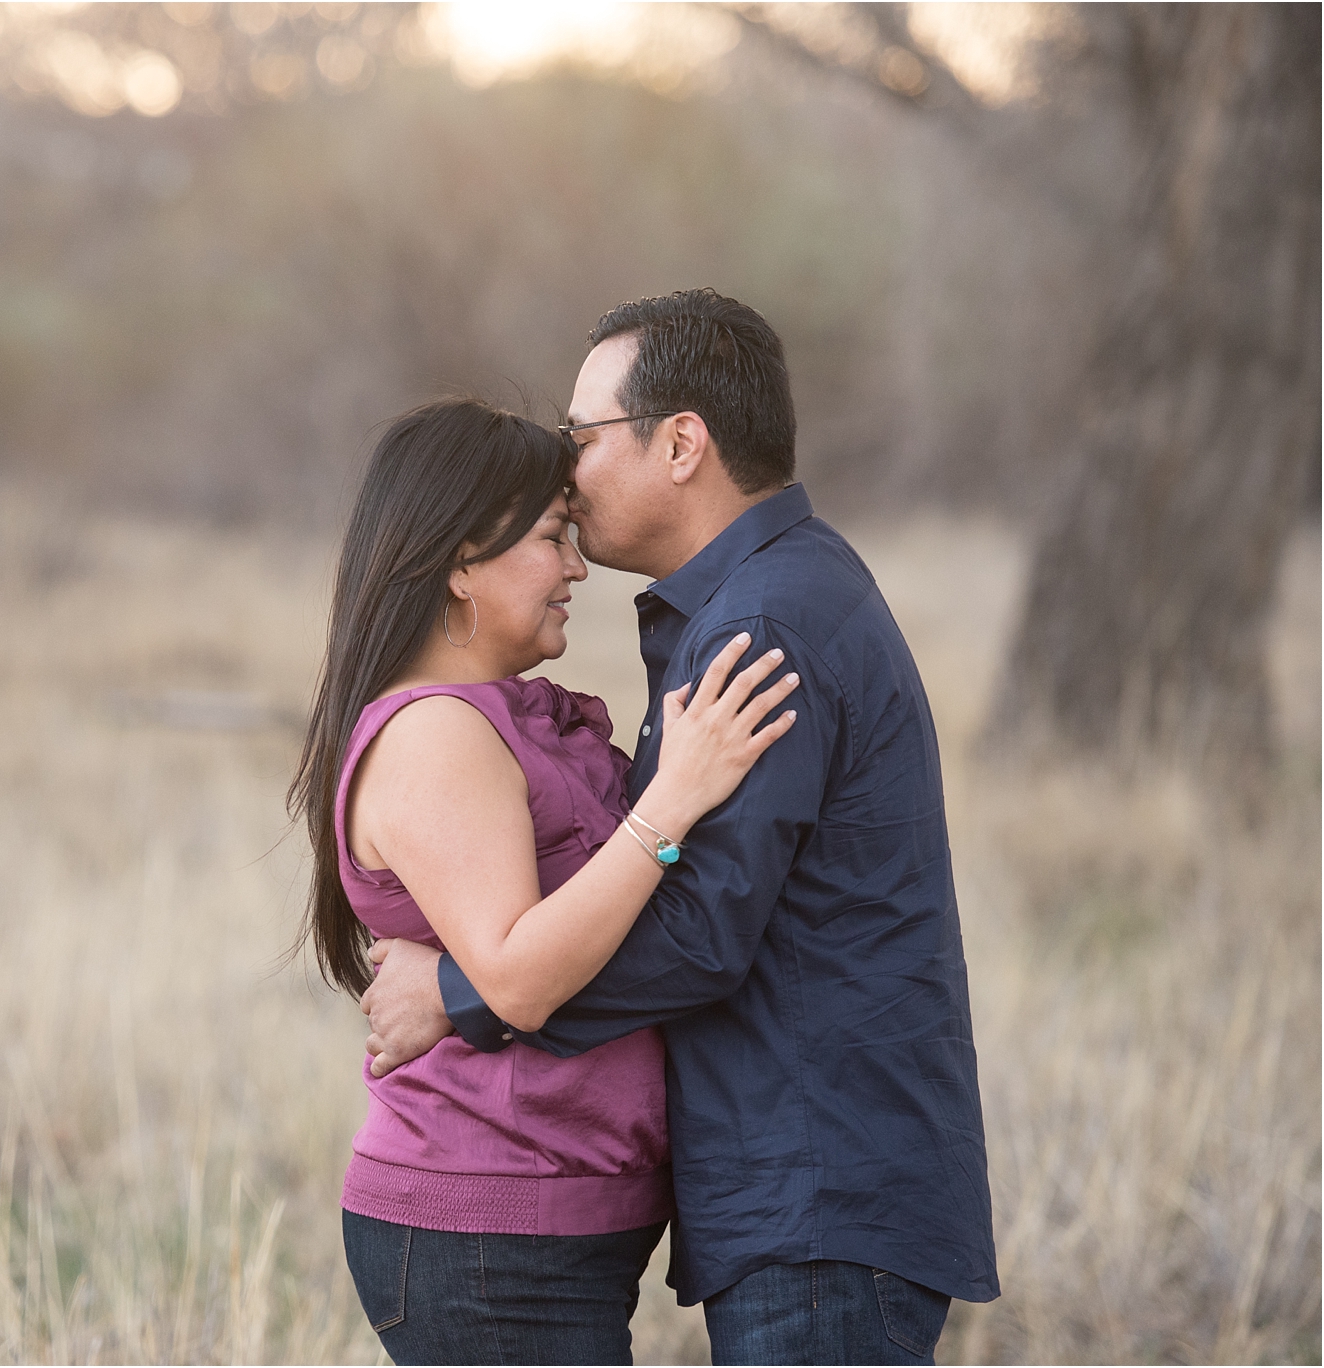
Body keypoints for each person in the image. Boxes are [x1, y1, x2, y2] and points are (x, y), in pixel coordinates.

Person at [360, 289, 1000, 1366]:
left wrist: (458, 995)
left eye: (583, 436)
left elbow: (702, 931)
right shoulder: (776, 594)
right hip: (817, 1185)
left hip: (816, 1190)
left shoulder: (760, 625)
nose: (565, 467)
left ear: (681, 443)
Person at [289, 397, 802, 1365]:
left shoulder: (493, 719)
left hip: (539, 1228)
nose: (576, 567)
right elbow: (518, 977)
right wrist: (671, 803)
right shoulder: (437, 734)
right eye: (550, 537)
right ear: (456, 562)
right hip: (487, 1231)